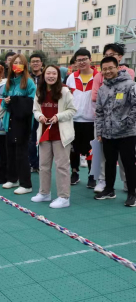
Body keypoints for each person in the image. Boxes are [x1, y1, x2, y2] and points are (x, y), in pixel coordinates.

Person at [31, 64, 77, 209]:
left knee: (62, 166)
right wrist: (40, 116)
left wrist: (58, 116)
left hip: (60, 135)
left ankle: (64, 197)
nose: (51, 76)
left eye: (54, 73)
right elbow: (35, 110)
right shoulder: (40, 91)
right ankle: (44, 193)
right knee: (43, 165)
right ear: (44, 75)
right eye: (48, 73)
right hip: (45, 133)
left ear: (58, 76)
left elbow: (72, 110)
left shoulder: (64, 91)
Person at [91, 43, 135, 195]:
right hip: (108, 134)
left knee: (128, 163)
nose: (108, 71)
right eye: (105, 69)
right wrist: (100, 131)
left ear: (117, 68)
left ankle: (132, 193)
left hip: (127, 133)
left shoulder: (129, 85)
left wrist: (127, 123)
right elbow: (99, 111)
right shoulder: (102, 89)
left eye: (111, 68)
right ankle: (109, 190)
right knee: (109, 162)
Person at [1, 54, 37, 194]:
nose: (17, 65)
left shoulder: (28, 82)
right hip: (9, 121)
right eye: (14, 62)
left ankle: (26, 184)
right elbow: (3, 101)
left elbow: (32, 102)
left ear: (25, 65)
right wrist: (6, 101)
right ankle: (13, 178)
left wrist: (15, 100)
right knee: (10, 152)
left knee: (21, 153)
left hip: (22, 123)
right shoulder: (9, 82)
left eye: (19, 62)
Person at [66, 48, 99, 188]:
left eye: (84, 59)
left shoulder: (99, 76)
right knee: (73, 149)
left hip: (92, 121)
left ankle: (92, 175)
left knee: (92, 150)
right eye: (78, 60)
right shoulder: (71, 77)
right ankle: (74, 172)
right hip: (74, 120)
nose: (81, 62)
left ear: (90, 60)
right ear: (75, 62)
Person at [28, 53, 45, 173]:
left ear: (41, 63)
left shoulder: (46, 76)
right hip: (29, 112)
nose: (35, 63)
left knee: (43, 140)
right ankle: (32, 163)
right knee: (31, 139)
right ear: (30, 64)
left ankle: (40, 164)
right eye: (33, 61)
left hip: (43, 112)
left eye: (37, 61)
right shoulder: (26, 78)